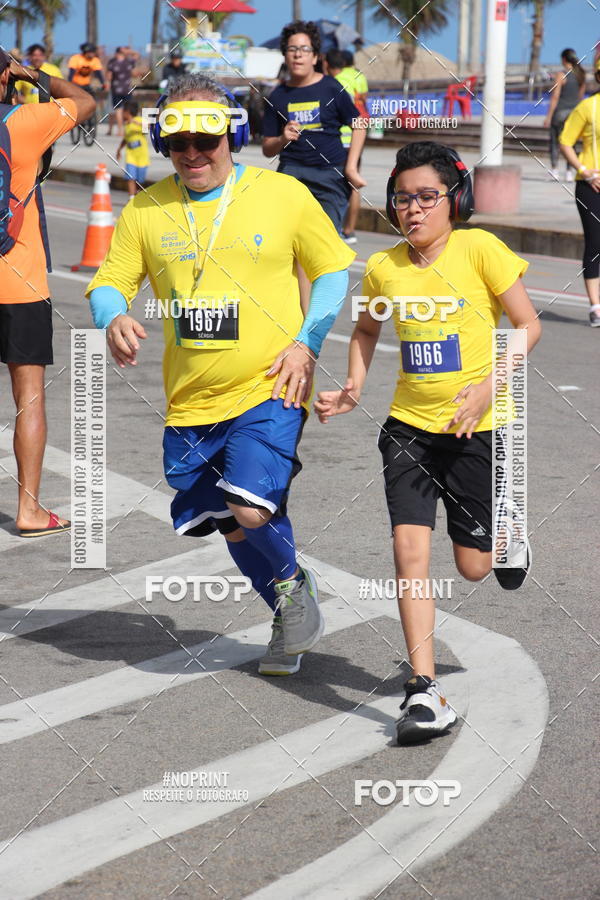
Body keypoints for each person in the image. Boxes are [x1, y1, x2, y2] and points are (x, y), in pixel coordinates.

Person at [86, 73, 355, 675]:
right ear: (163, 143)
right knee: (230, 523)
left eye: (206, 140)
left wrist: (305, 344)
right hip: (191, 400)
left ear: (230, 136)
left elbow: (333, 271)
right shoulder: (147, 208)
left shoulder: (281, 195)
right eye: (178, 141)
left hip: (272, 383)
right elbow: (109, 281)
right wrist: (113, 315)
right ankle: (288, 607)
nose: (193, 152)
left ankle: (289, 583)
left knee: (253, 507)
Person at [315, 142, 541, 743]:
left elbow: (528, 326)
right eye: (402, 198)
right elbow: (365, 330)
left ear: (453, 200)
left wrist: (490, 386)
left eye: (426, 197)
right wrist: (355, 386)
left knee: (472, 567)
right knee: (408, 549)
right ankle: (424, 690)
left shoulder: (480, 249)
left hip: (477, 430)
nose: (412, 210)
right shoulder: (385, 267)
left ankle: (507, 529)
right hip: (408, 430)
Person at [0, 48, 96, 536]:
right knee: (29, 398)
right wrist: (31, 73)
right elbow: (85, 99)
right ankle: (30, 509)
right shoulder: (26, 121)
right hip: (20, 280)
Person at [262, 20, 366, 310]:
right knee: (294, 250)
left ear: (316, 56)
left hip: (329, 178)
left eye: (304, 49)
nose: (297, 55)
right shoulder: (278, 96)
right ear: (285, 55)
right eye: (292, 49)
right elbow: (266, 147)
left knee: (319, 249)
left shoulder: (331, 87)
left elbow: (358, 123)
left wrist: (351, 167)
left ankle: (312, 316)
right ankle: (304, 320)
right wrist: (283, 138)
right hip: (291, 177)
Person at [560, 57, 600, 327]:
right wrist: (585, 171)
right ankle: (596, 307)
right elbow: (564, 141)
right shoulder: (588, 107)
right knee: (596, 245)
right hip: (591, 187)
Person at [325, 48, 369, 244]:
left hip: (341, 137)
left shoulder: (335, 82)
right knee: (355, 185)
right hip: (358, 134)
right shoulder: (360, 76)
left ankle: (336, 229)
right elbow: (363, 100)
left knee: (335, 184)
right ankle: (350, 230)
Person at [544, 48, 585, 181]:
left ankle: (555, 170)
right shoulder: (581, 74)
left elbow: (555, 96)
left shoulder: (561, 74)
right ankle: (569, 172)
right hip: (574, 113)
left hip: (560, 112)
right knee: (571, 142)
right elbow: (580, 97)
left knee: (555, 141)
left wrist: (549, 116)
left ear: (563, 59)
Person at [116, 100, 149, 197]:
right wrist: (119, 150)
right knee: (130, 177)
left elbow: (149, 127)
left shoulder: (140, 120)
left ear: (127, 112)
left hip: (142, 157)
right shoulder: (126, 125)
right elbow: (126, 139)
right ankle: (131, 198)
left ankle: (137, 195)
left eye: (123, 112)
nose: (121, 115)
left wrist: (135, 122)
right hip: (131, 156)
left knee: (140, 180)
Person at [106, 45, 140, 136]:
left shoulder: (112, 62)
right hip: (127, 90)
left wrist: (109, 83)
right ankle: (127, 129)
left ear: (116, 53)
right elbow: (137, 54)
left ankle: (120, 130)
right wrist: (129, 51)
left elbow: (109, 77)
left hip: (116, 90)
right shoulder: (128, 62)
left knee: (118, 110)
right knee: (128, 110)